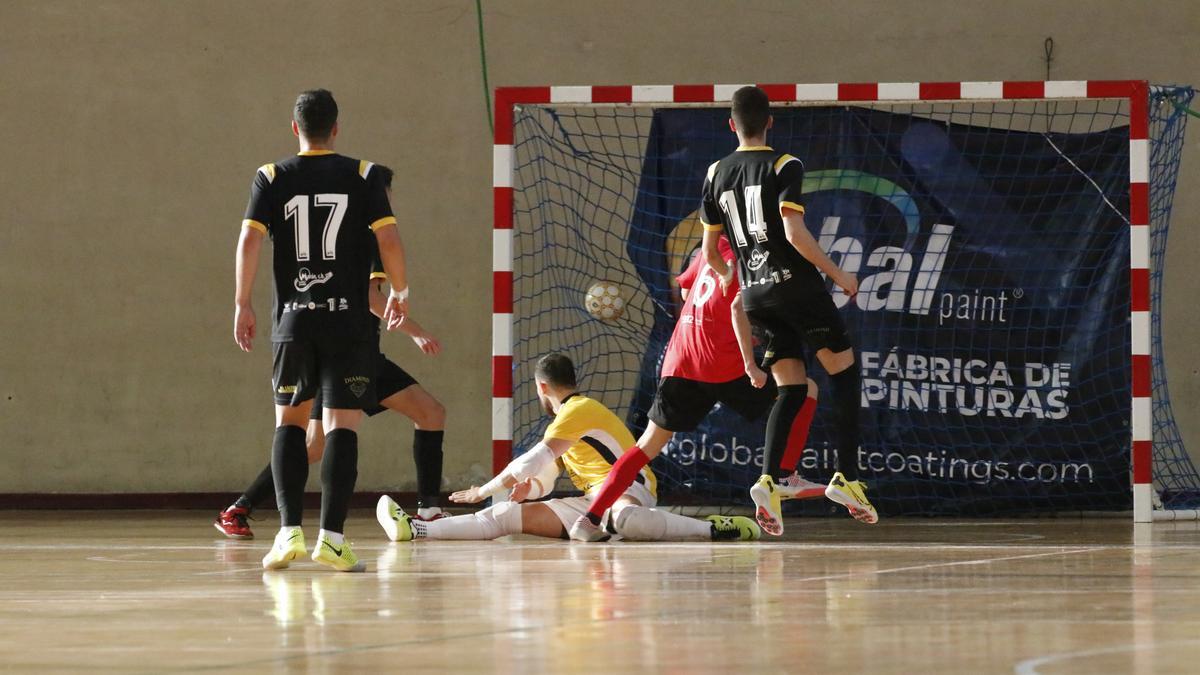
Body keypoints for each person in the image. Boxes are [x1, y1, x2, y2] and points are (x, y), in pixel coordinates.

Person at [216, 167, 448, 540]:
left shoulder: (360, 234)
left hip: (354, 351)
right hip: (349, 353)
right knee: (318, 443)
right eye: (385, 197)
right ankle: (244, 508)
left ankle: (428, 508)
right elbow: (372, 299)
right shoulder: (367, 238)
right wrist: (415, 330)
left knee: (425, 414)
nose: (388, 204)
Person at [234, 89, 409, 572]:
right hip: (349, 322)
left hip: (294, 320)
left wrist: (242, 302)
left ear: (295, 128)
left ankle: (288, 532)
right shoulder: (364, 174)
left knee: (289, 422)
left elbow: (249, 239)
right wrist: (401, 291)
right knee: (341, 426)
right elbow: (388, 237)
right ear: (336, 127)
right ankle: (332, 538)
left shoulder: (271, 176)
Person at [698, 85, 878, 534]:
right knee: (844, 373)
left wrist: (728, 275)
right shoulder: (784, 164)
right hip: (795, 287)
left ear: (731, 124)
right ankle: (848, 478)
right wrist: (841, 277)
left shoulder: (715, 171)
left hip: (756, 295)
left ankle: (767, 480)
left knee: (791, 390)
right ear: (771, 122)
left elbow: (709, 252)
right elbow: (794, 233)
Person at [567, 236, 824, 542]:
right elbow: (737, 308)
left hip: (681, 359)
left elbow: (687, 290)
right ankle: (784, 475)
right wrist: (750, 363)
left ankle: (589, 519)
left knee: (646, 446)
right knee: (805, 389)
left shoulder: (706, 251)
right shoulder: (749, 257)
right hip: (724, 364)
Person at [375, 353, 761, 543]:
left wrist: (483, 491)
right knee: (507, 514)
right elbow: (545, 475)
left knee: (628, 520)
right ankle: (418, 529)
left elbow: (534, 459)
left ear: (542, 387)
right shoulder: (564, 424)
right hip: (592, 501)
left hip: (631, 491)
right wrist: (530, 490)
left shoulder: (579, 410)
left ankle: (712, 529)